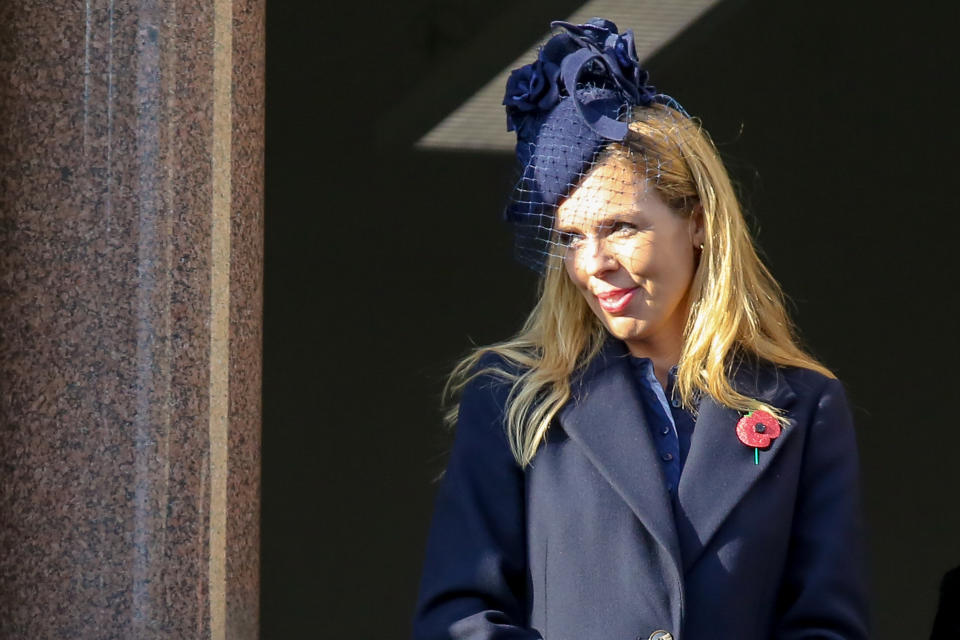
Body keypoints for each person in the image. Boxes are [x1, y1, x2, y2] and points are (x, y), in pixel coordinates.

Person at [411, 18, 869, 640]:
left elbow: (826, 626)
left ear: (699, 222)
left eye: (620, 227)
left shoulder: (806, 404)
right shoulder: (512, 396)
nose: (591, 264)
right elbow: (459, 619)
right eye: (571, 237)